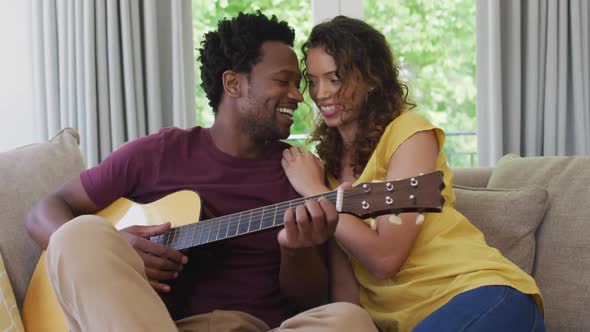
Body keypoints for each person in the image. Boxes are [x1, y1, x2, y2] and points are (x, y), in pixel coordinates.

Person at [26, 12, 378, 332]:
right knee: (79, 233)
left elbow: (309, 300)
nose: (299, 96)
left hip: (262, 327)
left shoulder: (301, 171)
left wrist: (297, 251)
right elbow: (44, 211)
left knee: (349, 320)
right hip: (156, 324)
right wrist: (120, 250)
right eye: (283, 81)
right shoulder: (159, 153)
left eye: (297, 84)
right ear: (233, 84)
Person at [281, 16, 545, 332]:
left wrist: (315, 192)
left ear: (371, 78)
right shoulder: (328, 169)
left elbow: (385, 258)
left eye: (335, 79)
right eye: (313, 80)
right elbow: (348, 295)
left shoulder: (411, 133)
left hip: (482, 295)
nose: (320, 93)